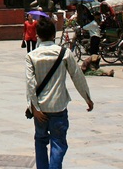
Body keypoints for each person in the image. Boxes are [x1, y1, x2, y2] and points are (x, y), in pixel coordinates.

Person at [26, 17, 94, 169]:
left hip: (41, 109)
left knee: (40, 141)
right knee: (58, 144)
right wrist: (87, 98)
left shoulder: (31, 56)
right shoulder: (64, 53)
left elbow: (30, 84)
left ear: (37, 35)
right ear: (53, 35)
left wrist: (34, 108)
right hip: (58, 107)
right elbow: (77, 76)